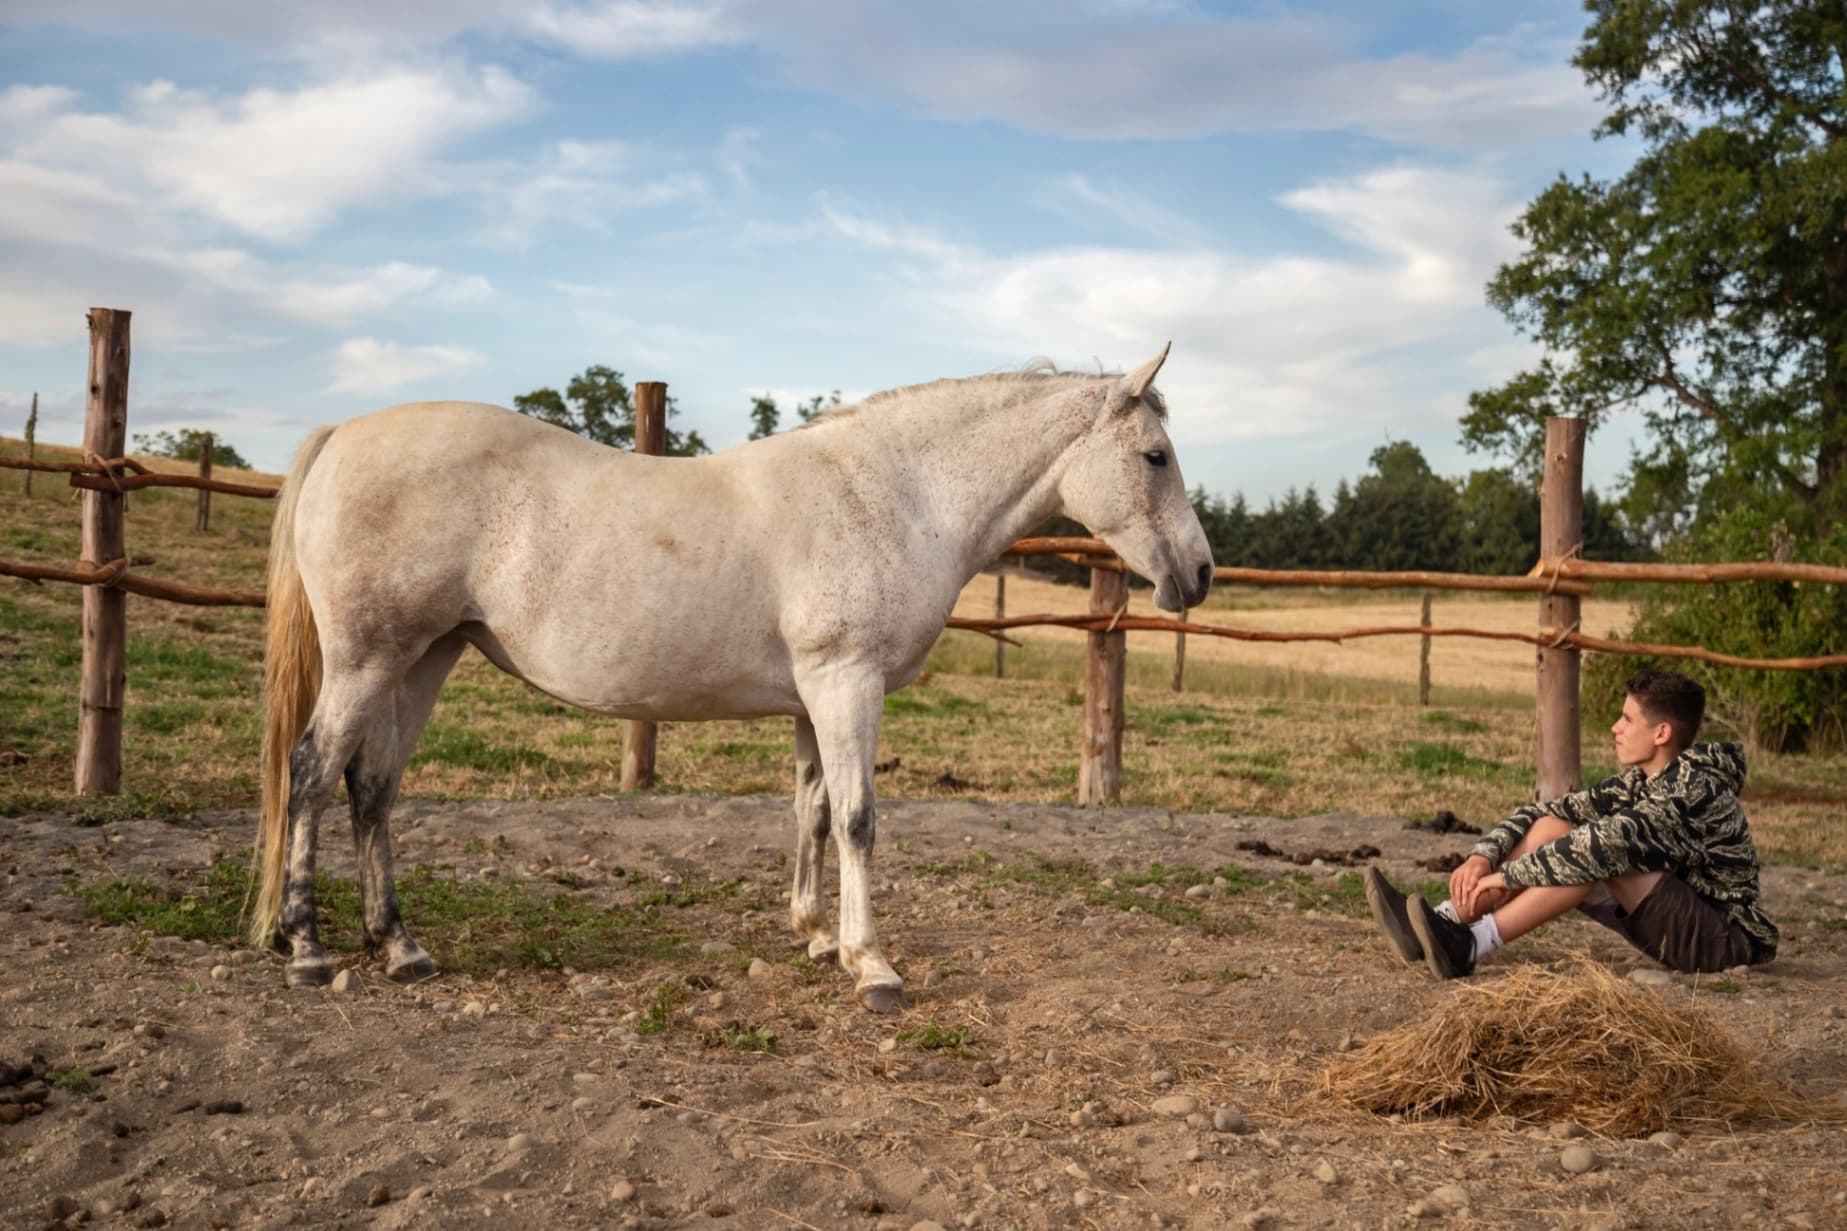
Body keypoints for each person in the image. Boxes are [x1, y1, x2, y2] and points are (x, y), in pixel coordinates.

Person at [1365, 668, 1778, 980]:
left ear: (1662, 733)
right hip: (1676, 916)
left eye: (1628, 719)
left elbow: (1600, 846)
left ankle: (1470, 946)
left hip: (1723, 940)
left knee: (1588, 853)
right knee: (1551, 828)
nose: (1616, 728)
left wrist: (1506, 877)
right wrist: (1482, 856)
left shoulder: (1693, 789)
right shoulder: (1641, 781)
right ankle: (1442, 922)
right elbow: (1548, 812)